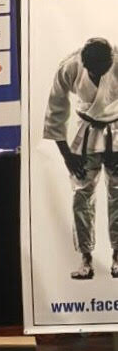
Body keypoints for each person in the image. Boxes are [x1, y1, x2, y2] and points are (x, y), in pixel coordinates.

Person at [43, 37, 118, 280]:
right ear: (84, 64)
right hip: (85, 134)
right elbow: (55, 110)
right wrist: (67, 155)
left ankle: (117, 256)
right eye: (93, 71)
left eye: (102, 71)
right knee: (81, 196)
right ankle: (86, 258)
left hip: (116, 130)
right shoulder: (70, 67)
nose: (98, 75)